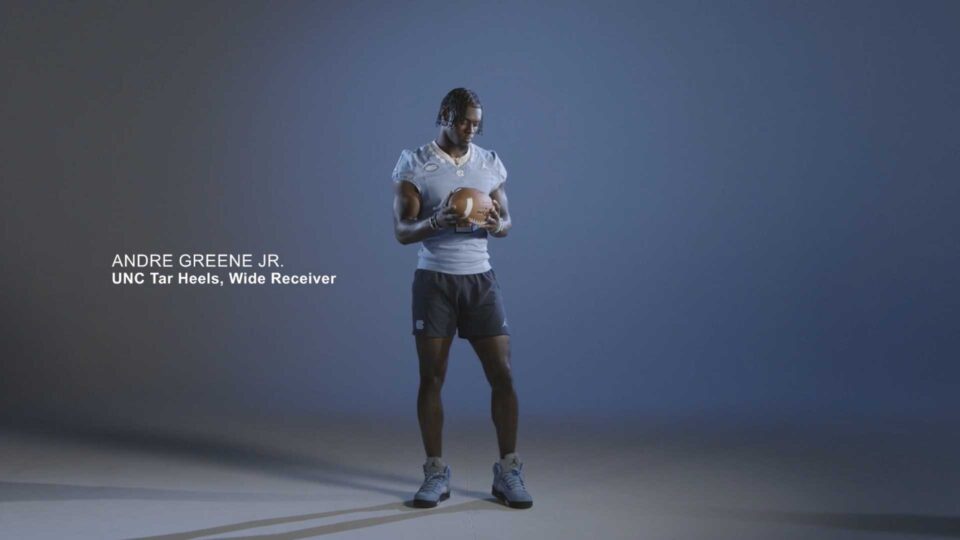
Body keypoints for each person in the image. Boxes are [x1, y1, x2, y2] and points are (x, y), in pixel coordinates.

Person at [391, 88, 532, 509]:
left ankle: (508, 470)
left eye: (477, 123)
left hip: (479, 280)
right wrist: (436, 220)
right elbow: (401, 230)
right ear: (445, 116)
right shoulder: (415, 162)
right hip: (435, 281)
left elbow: (506, 221)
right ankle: (435, 472)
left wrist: (496, 222)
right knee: (432, 377)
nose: (471, 129)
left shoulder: (489, 163)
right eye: (465, 121)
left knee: (502, 375)